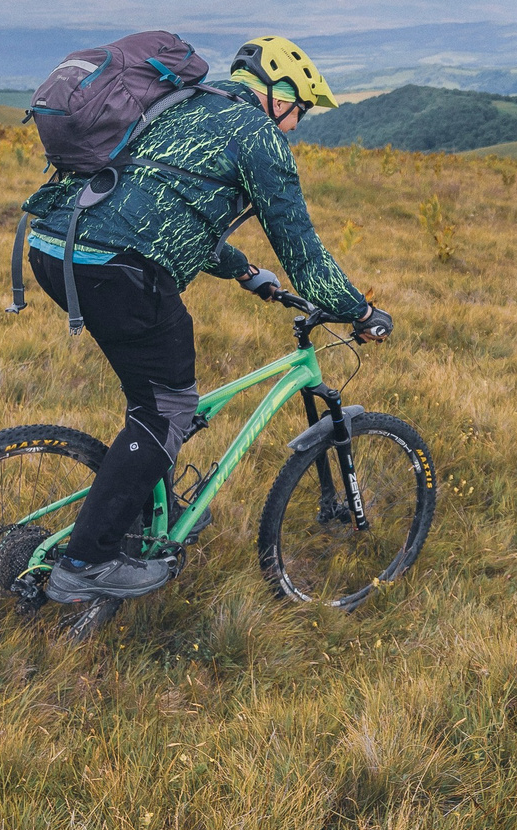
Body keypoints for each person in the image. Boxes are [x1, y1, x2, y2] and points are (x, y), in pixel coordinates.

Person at [24, 35, 389, 603]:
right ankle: (85, 565)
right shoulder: (258, 133)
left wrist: (243, 271)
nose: (297, 124)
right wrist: (360, 311)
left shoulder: (186, 103)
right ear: (280, 95)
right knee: (168, 408)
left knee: (152, 400)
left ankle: (146, 514)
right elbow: (303, 252)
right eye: (301, 110)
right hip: (118, 270)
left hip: (55, 246)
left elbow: (166, 204)